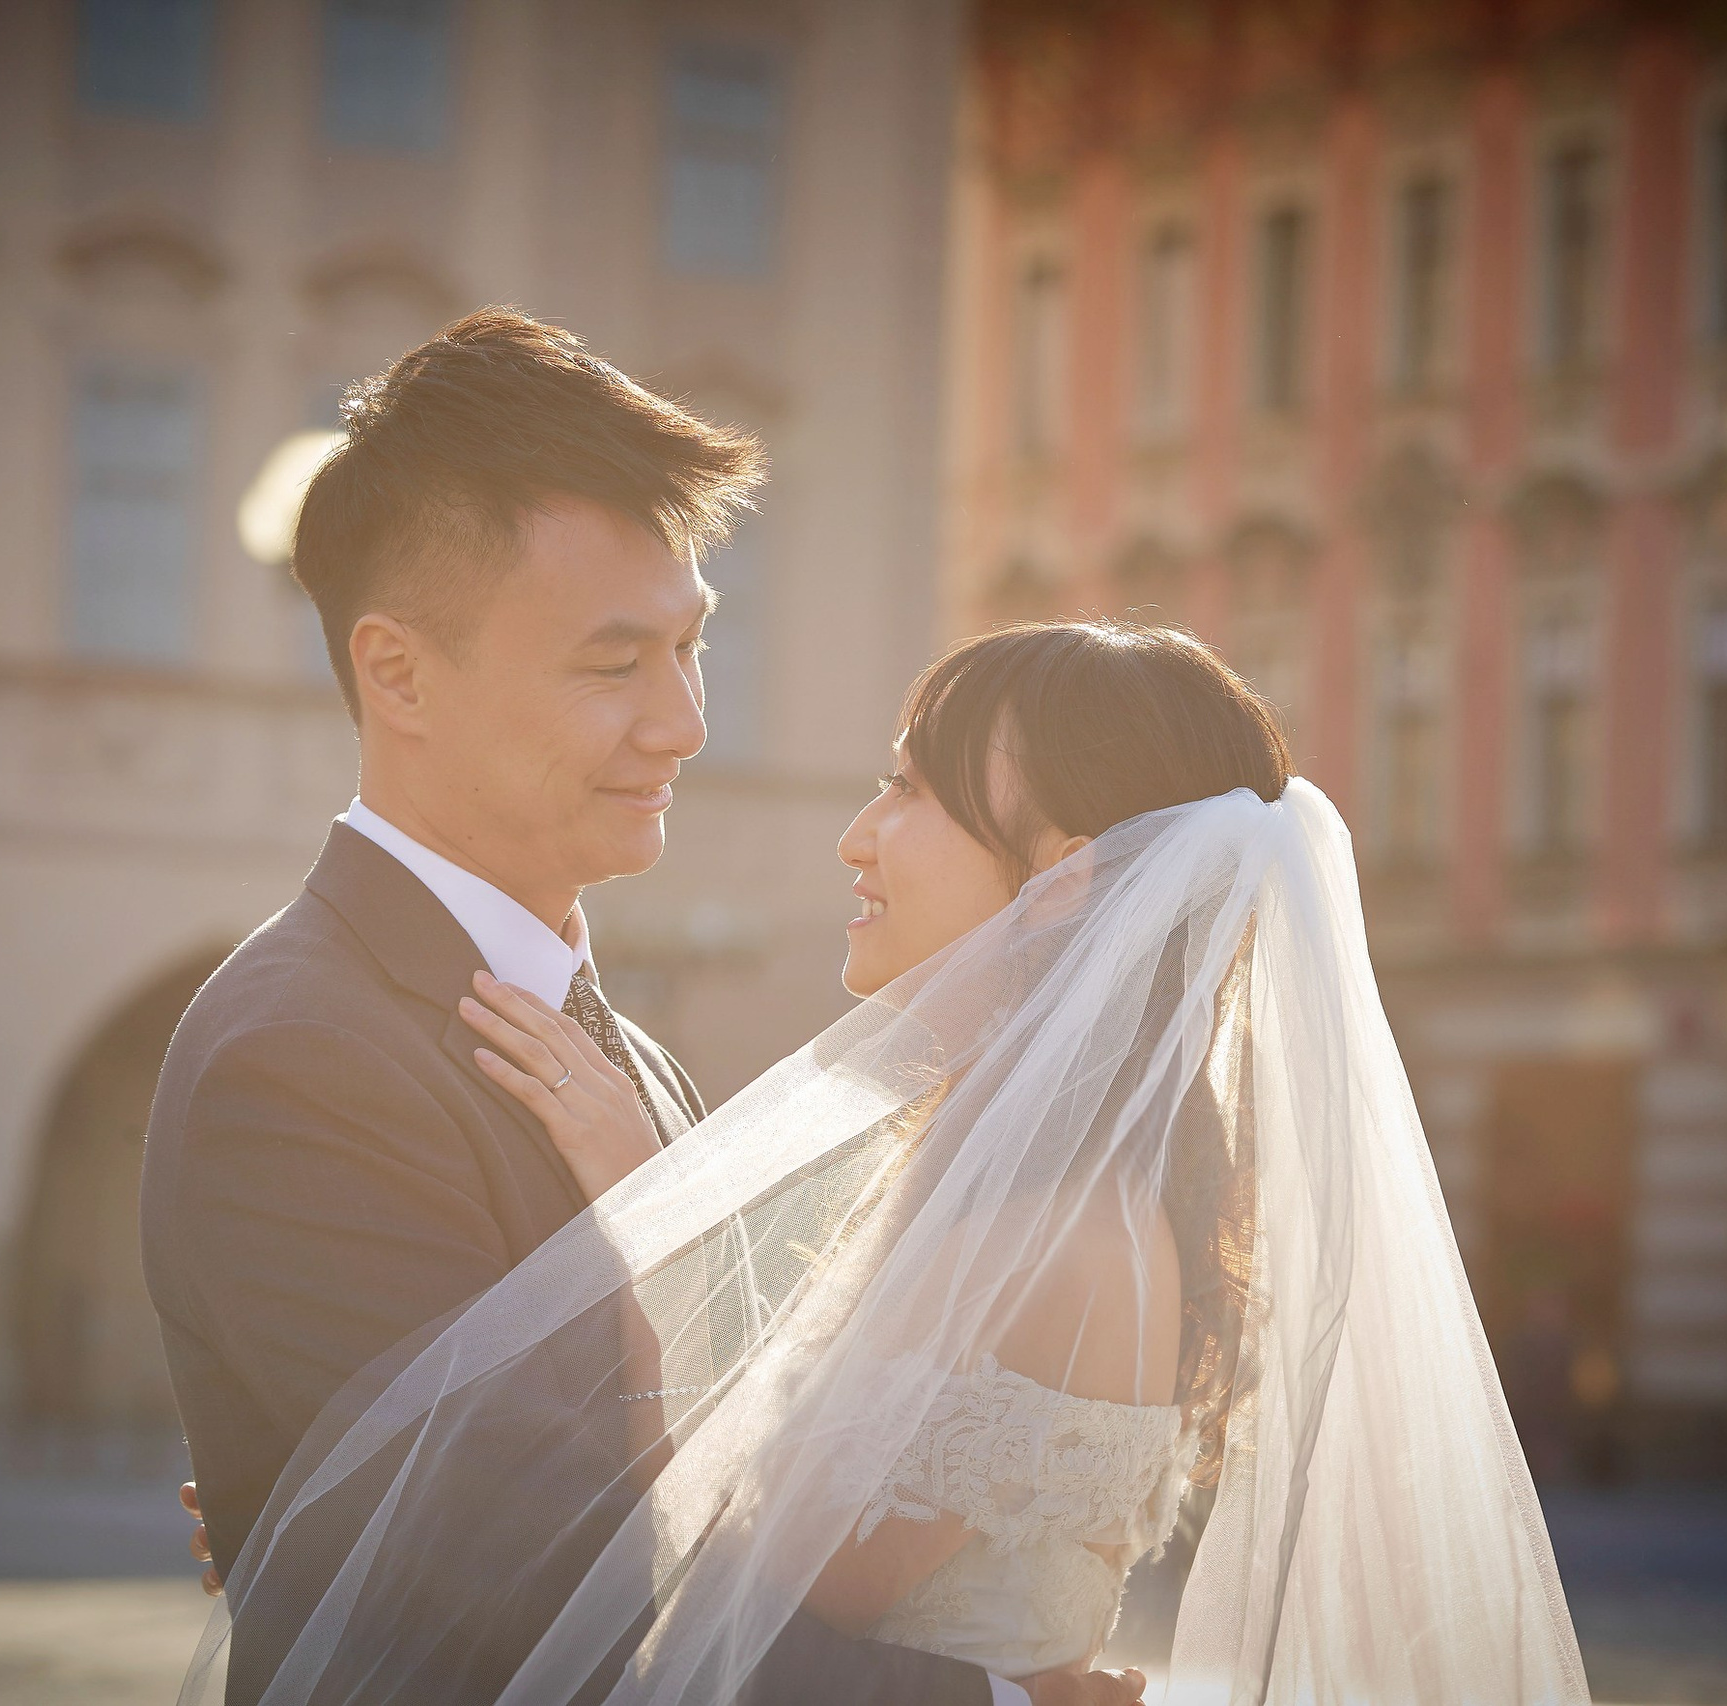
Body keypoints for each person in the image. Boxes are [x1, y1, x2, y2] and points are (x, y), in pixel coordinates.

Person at [220, 621, 1591, 1705]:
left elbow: (750, 1587)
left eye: (911, 788)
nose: (858, 834)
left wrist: (652, 1210)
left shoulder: (1051, 1229)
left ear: (1057, 880)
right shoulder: (1021, 1186)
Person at [141, 310, 1138, 1706]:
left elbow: (690, 1488)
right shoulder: (304, 1055)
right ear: (399, 672)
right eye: (616, 665)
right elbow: (555, 1595)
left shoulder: (634, 1059)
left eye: (693, 649)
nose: (684, 723)